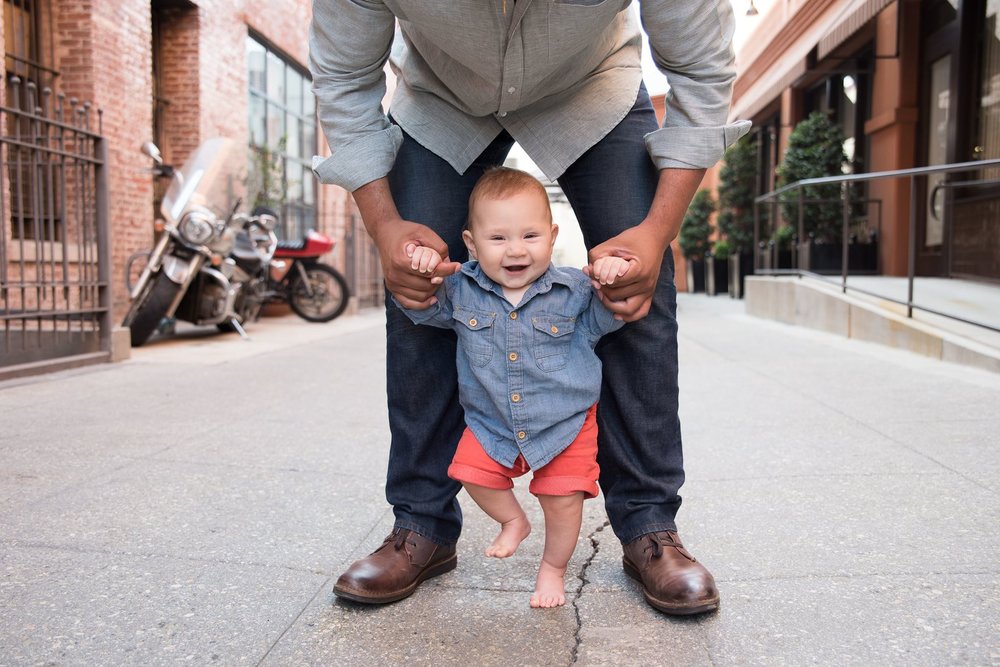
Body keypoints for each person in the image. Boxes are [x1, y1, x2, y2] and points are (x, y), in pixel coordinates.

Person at [310, 0, 750, 614]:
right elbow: (343, 79)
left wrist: (655, 233)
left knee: (637, 290)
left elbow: (701, 73)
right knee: (415, 284)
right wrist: (385, 225)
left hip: (589, 86)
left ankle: (649, 525)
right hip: (441, 99)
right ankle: (422, 525)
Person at [395, 166, 630, 608]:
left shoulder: (574, 290)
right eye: (498, 238)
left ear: (552, 234)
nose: (516, 250)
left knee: (563, 502)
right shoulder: (461, 288)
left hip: (566, 421)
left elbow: (611, 315)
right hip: (491, 423)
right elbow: (423, 310)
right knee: (470, 473)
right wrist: (421, 268)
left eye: (530, 236)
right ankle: (513, 521)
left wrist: (613, 274)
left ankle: (553, 570)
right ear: (471, 243)